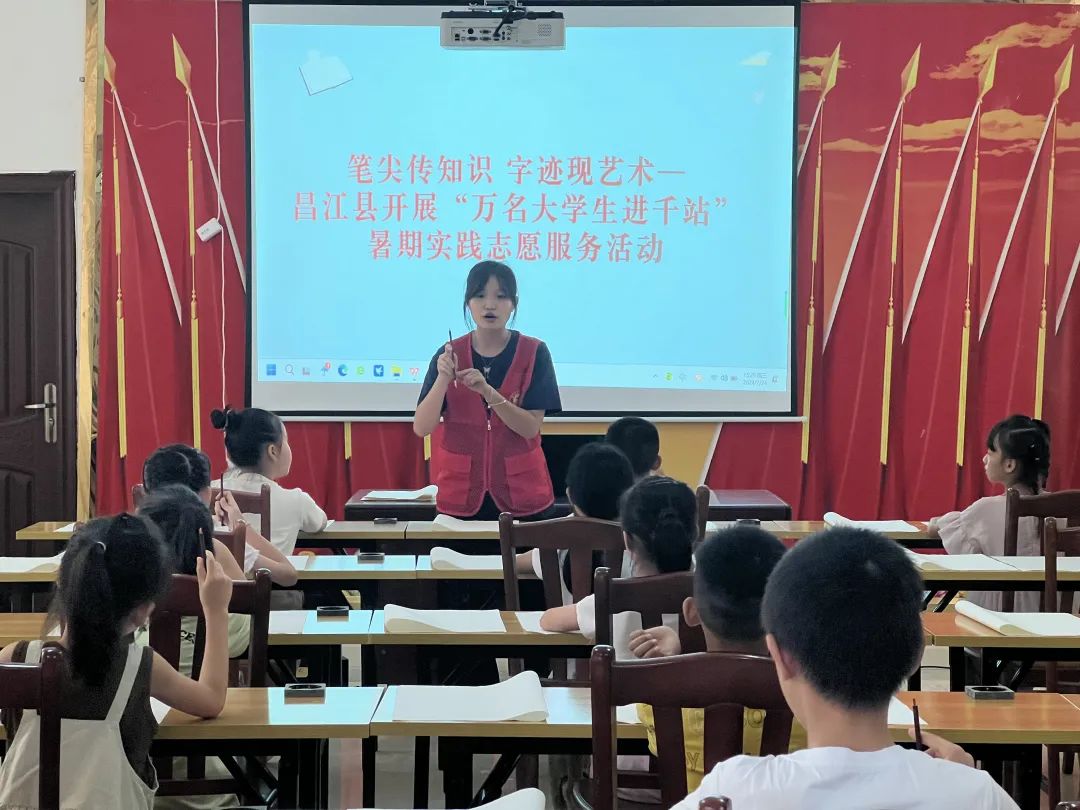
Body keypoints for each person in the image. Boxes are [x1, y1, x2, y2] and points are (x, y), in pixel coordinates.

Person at [670, 527, 1018, 810]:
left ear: (781, 657)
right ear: (917, 655)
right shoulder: (978, 796)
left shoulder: (733, 790)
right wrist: (963, 783)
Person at [0, 515, 233, 809]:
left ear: (63, 584)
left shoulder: (16, 658)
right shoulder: (141, 666)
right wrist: (216, 610)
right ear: (144, 612)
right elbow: (211, 699)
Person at [631, 525, 806, 793]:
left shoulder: (657, 697)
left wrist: (674, 659)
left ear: (691, 612)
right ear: (785, 616)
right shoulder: (809, 706)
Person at [413, 261, 561, 520]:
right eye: (480, 296)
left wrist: (487, 391)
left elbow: (530, 428)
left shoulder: (534, 352)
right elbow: (422, 427)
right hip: (461, 496)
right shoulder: (449, 354)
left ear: (514, 303)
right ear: (468, 302)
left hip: (523, 496)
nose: (489, 305)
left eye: (500, 296)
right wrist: (443, 379)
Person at [538, 476, 695, 652]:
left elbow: (548, 620)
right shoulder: (708, 592)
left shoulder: (613, 596)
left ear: (627, 540)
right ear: (695, 533)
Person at [928, 414, 1051, 611]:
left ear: (1009, 465)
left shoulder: (984, 510)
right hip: (1058, 619)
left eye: (991, 453)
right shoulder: (1063, 509)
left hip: (996, 618)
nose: (985, 458)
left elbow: (938, 530)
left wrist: (936, 522)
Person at [142, 444, 297, 586]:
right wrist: (240, 524)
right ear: (208, 494)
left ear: (147, 493)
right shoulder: (219, 542)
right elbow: (288, 574)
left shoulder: (136, 542)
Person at [514, 443, 635, 604]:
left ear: (569, 495)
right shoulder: (639, 542)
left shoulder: (557, 536)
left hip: (562, 620)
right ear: (630, 494)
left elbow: (514, 564)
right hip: (626, 622)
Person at [209, 407, 327, 556]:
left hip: (221, 571)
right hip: (275, 571)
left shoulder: (211, 493)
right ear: (273, 451)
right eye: (286, 441)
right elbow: (320, 522)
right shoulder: (296, 501)